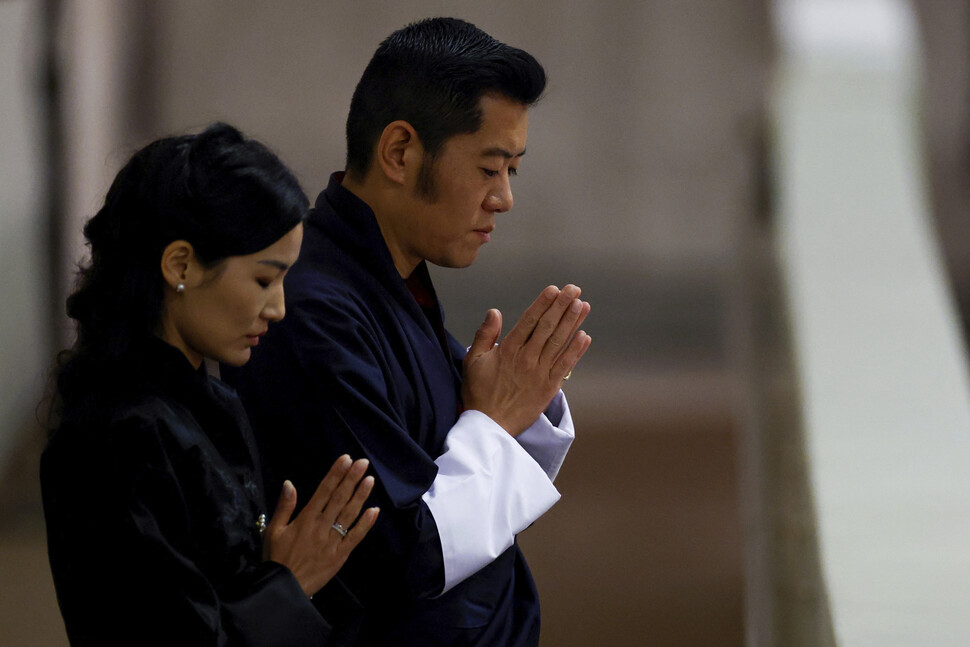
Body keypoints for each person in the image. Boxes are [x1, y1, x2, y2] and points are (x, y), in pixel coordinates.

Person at [223, 17, 592, 646]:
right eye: (489, 168)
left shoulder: (389, 277)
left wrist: (500, 410)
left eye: (513, 171)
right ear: (399, 152)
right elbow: (409, 553)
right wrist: (494, 424)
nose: (503, 198)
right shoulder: (314, 311)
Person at [41, 123, 379, 646]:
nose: (279, 308)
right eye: (265, 279)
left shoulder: (208, 400)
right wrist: (289, 582)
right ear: (181, 264)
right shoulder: (113, 438)